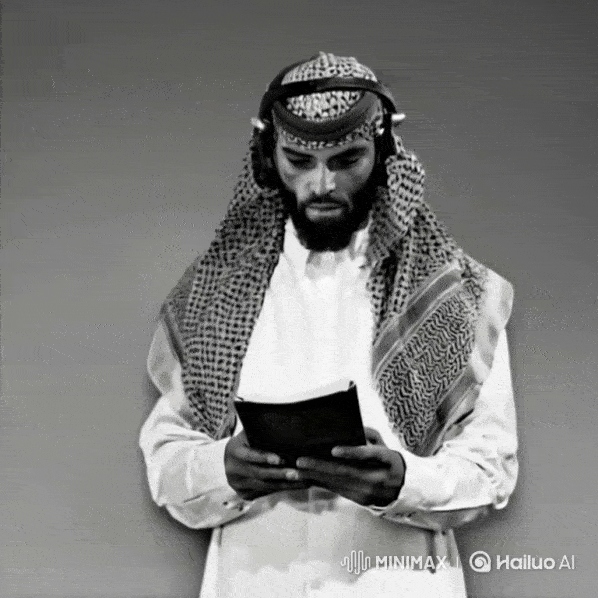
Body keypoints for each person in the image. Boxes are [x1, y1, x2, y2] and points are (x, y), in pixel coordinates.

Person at [139, 51, 518, 598]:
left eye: (346, 160)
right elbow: (166, 462)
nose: (321, 184)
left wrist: (404, 483)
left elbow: (490, 469)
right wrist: (222, 470)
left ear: (384, 154)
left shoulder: (453, 294)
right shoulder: (213, 294)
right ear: (268, 158)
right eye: (299, 160)